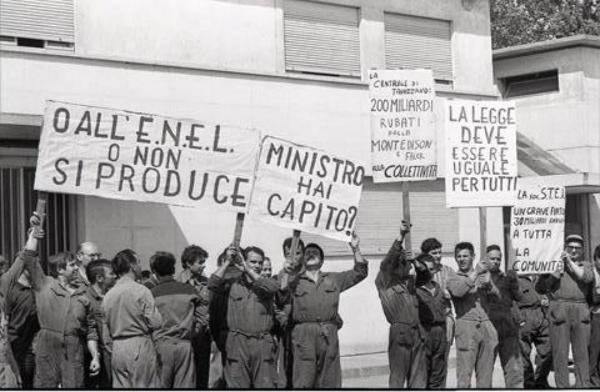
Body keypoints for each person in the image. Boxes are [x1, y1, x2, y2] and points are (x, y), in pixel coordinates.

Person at [285, 234, 367, 388]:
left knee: (330, 378)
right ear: (302, 259)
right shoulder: (293, 279)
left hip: (328, 333)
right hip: (304, 334)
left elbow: (360, 273)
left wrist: (355, 248)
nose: (310, 254)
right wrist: (290, 266)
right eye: (307, 252)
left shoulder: (333, 279)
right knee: (304, 379)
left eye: (315, 252)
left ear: (322, 260)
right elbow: (281, 289)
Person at [208, 245, 280, 388]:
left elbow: (273, 289)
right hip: (238, 343)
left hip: (261, 343)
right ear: (244, 261)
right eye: (253, 262)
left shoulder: (266, 283)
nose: (258, 266)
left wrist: (247, 269)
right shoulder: (232, 283)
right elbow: (212, 284)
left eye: (260, 262)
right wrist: (228, 261)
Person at [27, 250, 100, 388]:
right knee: (45, 385)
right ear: (60, 269)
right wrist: (34, 236)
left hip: (73, 348)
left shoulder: (83, 293)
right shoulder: (44, 286)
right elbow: (29, 261)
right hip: (47, 345)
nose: (77, 268)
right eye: (72, 265)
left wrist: (95, 356)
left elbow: (91, 330)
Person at [536, 234, 593, 387]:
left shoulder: (586, 265)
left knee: (582, 354)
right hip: (559, 309)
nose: (573, 250)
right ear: (565, 247)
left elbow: (586, 278)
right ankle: (563, 387)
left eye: (577, 248)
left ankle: (583, 386)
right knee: (560, 354)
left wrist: (567, 261)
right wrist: (554, 276)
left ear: (582, 250)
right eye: (570, 247)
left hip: (581, 310)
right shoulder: (552, 264)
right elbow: (540, 288)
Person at [102, 249, 163, 388]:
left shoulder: (108, 295)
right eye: (139, 262)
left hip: (117, 348)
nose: (141, 266)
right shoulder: (141, 290)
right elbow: (156, 322)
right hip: (139, 345)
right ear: (132, 266)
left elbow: (105, 335)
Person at [376, 221, 426, 388]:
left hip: (417, 332)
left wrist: (417, 262)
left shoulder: (410, 283)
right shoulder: (385, 281)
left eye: (406, 262)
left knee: (418, 379)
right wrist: (401, 236)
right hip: (400, 332)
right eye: (401, 262)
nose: (405, 265)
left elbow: (426, 277)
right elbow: (387, 262)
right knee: (398, 378)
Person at [0, 215, 43, 388]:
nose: (4, 268)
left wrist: (32, 233)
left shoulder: (5, 284)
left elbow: (26, 256)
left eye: (3, 265)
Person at [447, 242, 498, 388]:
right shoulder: (453, 277)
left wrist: (489, 285)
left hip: (486, 324)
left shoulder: (484, 276)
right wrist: (475, 273)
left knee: (486, 377)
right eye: (459, 256)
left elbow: (498, 298)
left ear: (473, 257)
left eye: (465, 256)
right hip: (466, 326)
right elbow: (458, 291)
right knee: (464, 376)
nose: (462, 259)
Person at [151, 251, 204, 388]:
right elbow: (203, 317)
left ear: (154, 271)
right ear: (173, 269)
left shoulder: (151, 294)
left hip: (160, 346)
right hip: (185, 345)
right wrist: (193, 332)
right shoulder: (190, 290)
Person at [485, 245, 524, 388]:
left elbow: (519, 297)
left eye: (498, 259)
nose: (495, 261)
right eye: (492, 258)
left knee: (513, 367)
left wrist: (514, 282)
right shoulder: (480, 276)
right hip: (488, 325)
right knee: (485, 368)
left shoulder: (508, 277)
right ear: (486, 258)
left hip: (507, 325)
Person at [3, 249, 40, 388]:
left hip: (37, 346)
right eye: (34, 264)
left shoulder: (38, 288)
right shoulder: (10, 291)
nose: (38, 268)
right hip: (17, 348)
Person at [421, 237, 455, 385]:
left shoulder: (447, 271)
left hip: (445, 320)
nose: (438, 255)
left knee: (441, 362)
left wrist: (450, 292)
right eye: (434, 253)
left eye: (439, 252)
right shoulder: (419, 272)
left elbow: (458, 289)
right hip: (425, 323)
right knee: (423, 364)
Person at [178, 245, 211, 389]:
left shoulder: (205, 281)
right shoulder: (177, 283)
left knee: (202, 376)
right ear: (188, 263)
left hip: (203, 336)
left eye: (204, 262)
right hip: (186, 336)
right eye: (200, 262)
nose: (203, 266)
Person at [414, 253, 448, 389]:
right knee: (422, 374)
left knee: (438, 375)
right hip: (424, 332)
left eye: (431, 269)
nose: (429, 273)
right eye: (425, 269)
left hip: (440, 333)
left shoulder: (439, 288)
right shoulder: (415, 290)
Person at [84, 258, 116, 389]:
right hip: (93, 356)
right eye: (111, 274)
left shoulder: (112, 295)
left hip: (111, 355)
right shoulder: (84, 298)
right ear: (99, 278)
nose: (115, 276)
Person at [516, 272, 552, 389]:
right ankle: (529, 383)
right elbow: (510, 299)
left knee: (548, 349)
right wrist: (518, 318)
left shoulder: (543, 274)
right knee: (523, 352)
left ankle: (541, 381)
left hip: (542, 314)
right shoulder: (516, 277)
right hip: (524, 315)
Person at [590, 244, 600, 387]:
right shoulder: (591, 274)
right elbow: (593, 297)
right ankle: (592, 382)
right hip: (595, 317)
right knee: (594, 351)